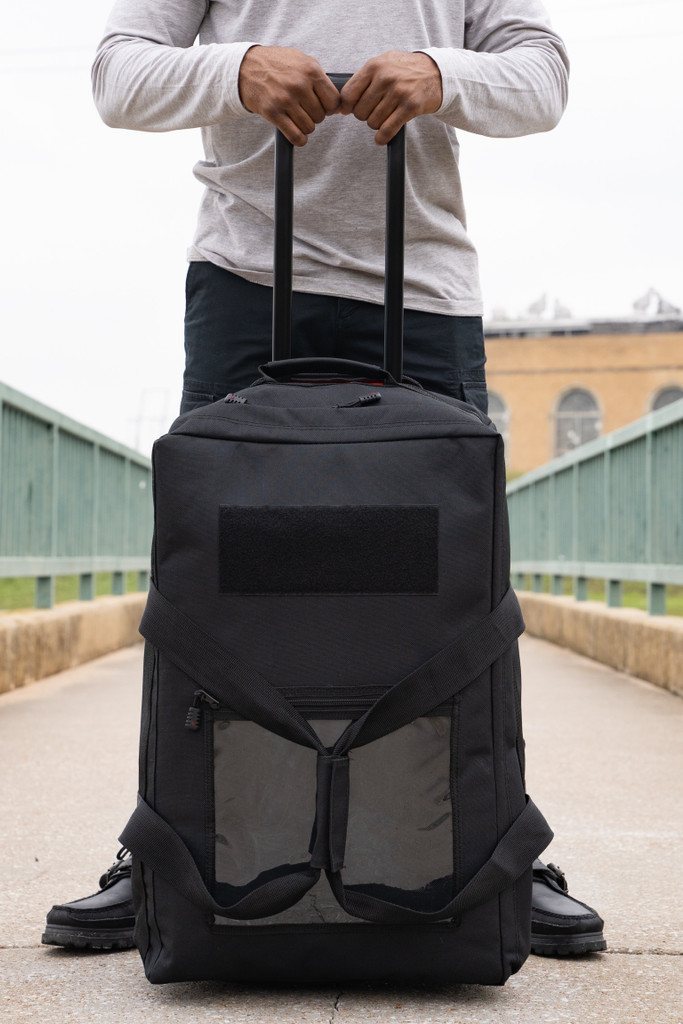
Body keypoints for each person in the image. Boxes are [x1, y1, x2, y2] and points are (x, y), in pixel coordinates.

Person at [42, 0, 605, 958]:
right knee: (211, 586)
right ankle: (172, 850)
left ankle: (490, 847)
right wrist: (235, 68)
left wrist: (442, 73)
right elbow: (116, 73)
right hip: (243, 277)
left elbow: (541, 76)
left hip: (423, 289)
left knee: (455, 592)